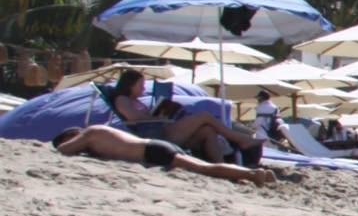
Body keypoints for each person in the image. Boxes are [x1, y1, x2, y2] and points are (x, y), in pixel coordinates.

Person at [107, 69, 266, 166]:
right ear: (130, 85)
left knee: (207, 131)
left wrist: (160, 113)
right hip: (153, 134)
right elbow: (134, 118)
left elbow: (142, 116)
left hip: (159, 128)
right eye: (140, 86)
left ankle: (220, 166)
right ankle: (240, 139)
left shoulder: (133, 100)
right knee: (204, 116)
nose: (142, 89)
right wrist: (156, 116)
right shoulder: (122, 100)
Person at [52, 124, 275, 185]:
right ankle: (248, 174)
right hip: (154, 146)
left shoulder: (91, 133)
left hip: (152, 152)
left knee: (203, 169)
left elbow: (63, 150)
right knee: (201, 166)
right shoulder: (101, 133)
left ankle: (253, 174)